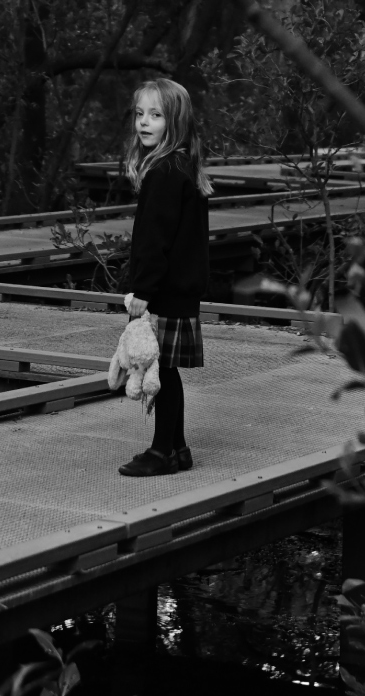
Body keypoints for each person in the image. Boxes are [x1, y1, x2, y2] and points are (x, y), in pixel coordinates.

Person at [118, 78, 213, 477]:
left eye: (155, 115)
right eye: (140, 114)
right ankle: (177, 447)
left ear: (175, 121)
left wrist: (143, 289)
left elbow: (154, 241)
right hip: (182, 286)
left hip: (166, 289)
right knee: (168, 369)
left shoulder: (163, 173)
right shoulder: (182, 165)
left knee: (163, 372)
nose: (144, 122)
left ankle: (162, 452)